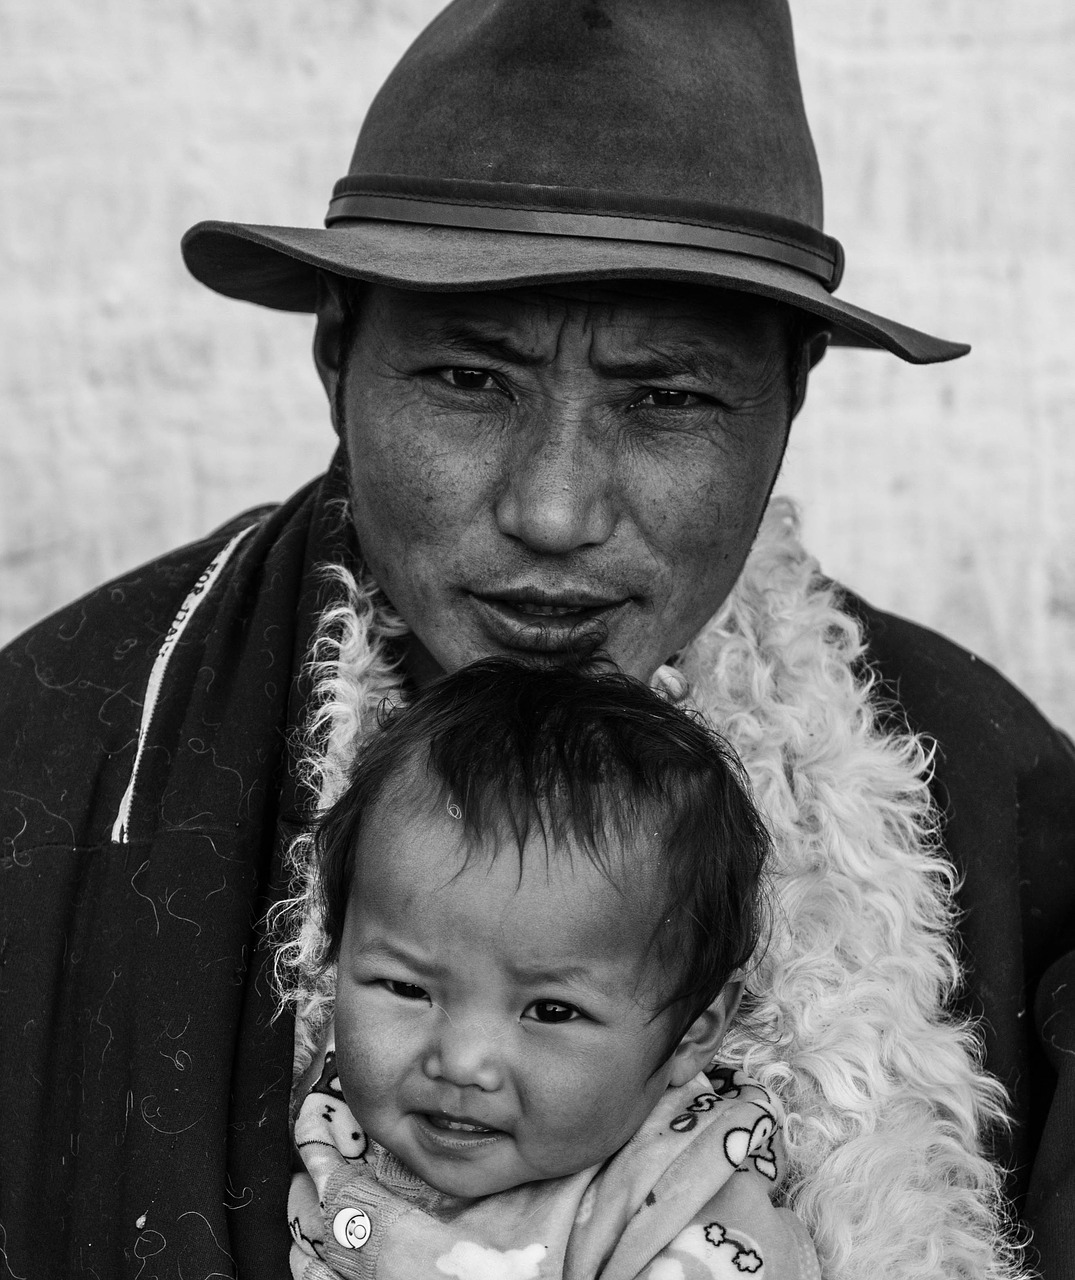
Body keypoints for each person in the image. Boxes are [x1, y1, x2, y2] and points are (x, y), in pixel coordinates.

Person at [0, 1, 1072, 1278]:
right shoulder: (62, 746)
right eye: (468, 379)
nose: (553, 509)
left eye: (665, 398)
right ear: (337, 355)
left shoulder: (993, 799)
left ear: (789, 398)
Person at [282, 658, 819, 1280]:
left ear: (693, 1030)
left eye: (551, 1011)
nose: (461, 1064)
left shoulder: (687, 1205)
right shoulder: (315, 1091)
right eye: (407, 988)